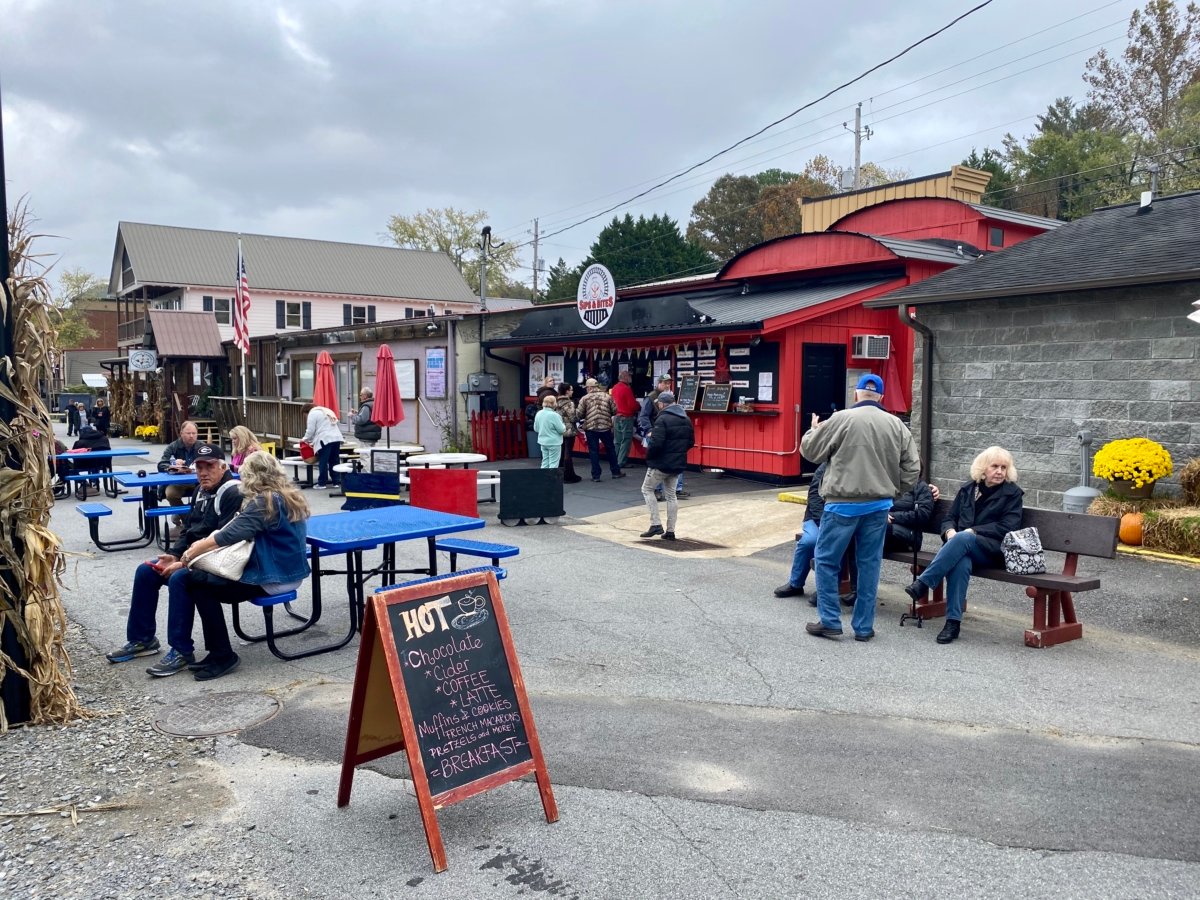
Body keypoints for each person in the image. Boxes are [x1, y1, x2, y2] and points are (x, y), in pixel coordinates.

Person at [800, 373, 920, 643]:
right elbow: (912, 468)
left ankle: (830, 621)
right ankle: (864, 627)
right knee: (869, 565)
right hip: (878, 507)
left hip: (842, 505)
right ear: (881, 396)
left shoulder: (840, 418)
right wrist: (892, 489)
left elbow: (810, 451)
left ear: (856, 394)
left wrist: (813, 429)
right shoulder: (896, 425)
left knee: (827, 561)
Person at [104, 443, 242, 675]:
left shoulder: (232, 493)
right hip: (193, 557)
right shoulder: (200, 490)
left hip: (219, 565)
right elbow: (189, 529)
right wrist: (175, 554)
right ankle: (142, 640)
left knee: (180, 578)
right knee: (146, 571)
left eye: (209, 467)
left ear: (222, 467)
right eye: (199, 467)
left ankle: (181, 651)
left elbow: (223, 542)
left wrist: (184, 561)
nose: (203, 472)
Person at [181, 451, 311, 680]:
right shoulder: (289, 495)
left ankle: (222, 655)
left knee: (196, 583)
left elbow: (230, 533)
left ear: (251, 476)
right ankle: (218, 652)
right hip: (289, 572)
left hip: (273, 577)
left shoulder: (266, 501)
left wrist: (193, 551)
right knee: (200, 582)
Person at [904, 447, 1023, 645]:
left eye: (1004, 467)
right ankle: (953, 623)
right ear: (983, 468)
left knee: (964, 538)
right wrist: (949, 531)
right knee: (961, 563)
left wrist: (973, 531)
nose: (1000, 471)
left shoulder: (1012, 494)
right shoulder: (968, 489)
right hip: (964, 548)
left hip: (993, 551)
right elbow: (950, 518)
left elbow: (1007, 527)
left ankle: (924, 583)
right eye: (995, 466)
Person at [639, 391, 694, 541]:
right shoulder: (686, 419)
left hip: (660, 463)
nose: (658, 405)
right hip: (678, 463)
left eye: (659, 403)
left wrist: (649, 458)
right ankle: (670, 531)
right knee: (671, 495)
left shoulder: (662, 419)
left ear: (663, 404)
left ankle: (655, 524)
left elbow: (656, 443)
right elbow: (691, 442)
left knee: (647, 489)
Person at [773, 462, 827, 600]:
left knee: (832, 543)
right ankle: (795, 583)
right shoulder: (824, 467)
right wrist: (822, 523)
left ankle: (824, 590)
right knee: (810, 541)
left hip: (840, 519)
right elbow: (814, 497)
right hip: (816, 517)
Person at [638, 375, 689, 499]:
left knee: (676, 459)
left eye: (669, 383)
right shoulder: (651, 397)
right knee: (657, 463)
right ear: (659, 383)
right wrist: (649, 430)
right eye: (665, 383)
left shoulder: (671, 397)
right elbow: (643, 416)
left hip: (671, 433)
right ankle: (657, 489)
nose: (667, 385)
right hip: (657, 432)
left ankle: (677, 489)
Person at [575, 378, 623, 482]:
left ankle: (596, 476)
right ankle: (615, 472)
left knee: (593, 451)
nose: (586, 389)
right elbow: (615, 411)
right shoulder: (607, 396)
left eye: (587, 387)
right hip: (605, 427)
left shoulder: (585, 398)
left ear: (590, 387)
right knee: (610, 449)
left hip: (591, 428)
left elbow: (579, 414)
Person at [158, 420, 201, 510]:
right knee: (170, 494)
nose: (191, 436)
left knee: (209, 492)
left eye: (194, 433)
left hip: (198, 481)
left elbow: (213, 462)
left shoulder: (202, 446)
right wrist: (173, 467)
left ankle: (189, 517)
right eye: (188, 433)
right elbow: (161, 465)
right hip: (178, 482)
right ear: (181, 433)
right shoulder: (173, 447)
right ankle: (185, 519)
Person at [301, 403, 343, 489]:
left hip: (325, 439)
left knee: (323, 461)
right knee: (334, 460)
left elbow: (310, 430)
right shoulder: (327, 410)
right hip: (336, 437)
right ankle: (336, 481)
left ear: (306, 412)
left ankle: (322, 483)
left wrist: (304, 439)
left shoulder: (312, 413)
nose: (305, 417)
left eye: (304, 415)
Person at [611, 370, 640, 468]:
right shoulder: (626, 389)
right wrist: (639, 406)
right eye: (629, 376)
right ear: (625, 377)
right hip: (626, 417)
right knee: (626, 440)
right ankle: (621, 462)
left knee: (617, 441)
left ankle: (614, 461)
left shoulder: (614, 388)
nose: (631, 378)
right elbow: (632, 405)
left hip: (616, 417)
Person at [556, 383, 582, 483]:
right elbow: (573, 417)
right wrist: (578, 414)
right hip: (568, 430)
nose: (572, 391)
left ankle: (560, 474)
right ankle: (568, 475)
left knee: (560, 453)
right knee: (568, 454)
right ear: (566, 391)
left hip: (559, 430)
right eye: (571, 390)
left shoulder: (556, 402)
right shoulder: (569, 403)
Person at [534, 395, 565, 468]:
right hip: (554, 442)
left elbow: (536, 429)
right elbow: (561, 430)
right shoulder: (555, 415)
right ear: (554, 403)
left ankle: (543, 478)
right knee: (553, 463)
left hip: (543, 441)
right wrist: (563, 425)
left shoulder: (539, 413)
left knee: (545, 462)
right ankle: (552, 479)